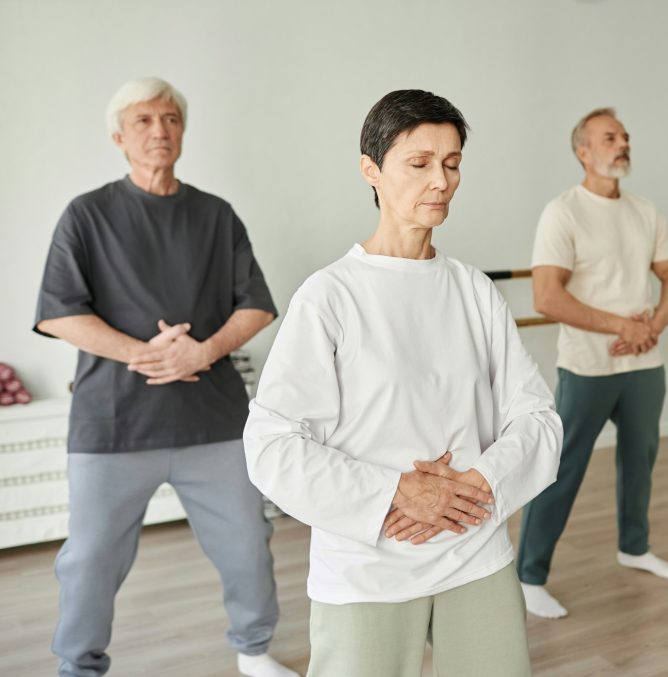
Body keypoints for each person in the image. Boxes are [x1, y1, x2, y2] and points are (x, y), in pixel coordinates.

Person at [243, 89, 562, 677]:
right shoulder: (329, 296)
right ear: (372, 170)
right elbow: (272, 446)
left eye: (452, 162)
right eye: (419, 163)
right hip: (368, 569)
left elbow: (537, 418)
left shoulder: (473, 290)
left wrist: (474, 485)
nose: (439, 180)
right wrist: (397, 493)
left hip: (474, 553)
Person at [34, 77, 298, 677]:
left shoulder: (216, 215)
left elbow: (256, 303)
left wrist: (201, 354)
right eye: (144, 121)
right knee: (90, 560)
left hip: (213, 420)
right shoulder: (87, 215)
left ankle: (254, 649)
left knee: (247, 548)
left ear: (183, 129)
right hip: (114, 424)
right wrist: (145, 354)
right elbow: (58, 313)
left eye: (171, 119)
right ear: (119, 137)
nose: (160, 131)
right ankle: (78, 667)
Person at [516, 107, 668, 619]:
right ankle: (529, 575)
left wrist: (650, 327)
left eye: (626, 136)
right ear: (582, 151)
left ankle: (634, 547)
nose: (622, 143)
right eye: (610, 137)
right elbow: (546, 297)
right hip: (587, 366)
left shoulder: (645, 210)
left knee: (640, 462)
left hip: (643, 362)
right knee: (561, 469)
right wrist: (623, 327)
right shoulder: (562, 212)